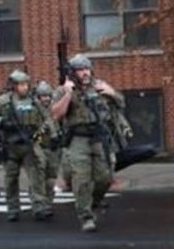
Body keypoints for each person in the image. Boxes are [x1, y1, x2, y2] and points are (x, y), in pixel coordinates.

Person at [51, 54, 122, 232]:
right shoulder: (64, 90)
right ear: (73, 73)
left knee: (105, 178)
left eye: (87, 69)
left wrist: (111, 93)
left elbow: (121, 103)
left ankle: (93, 203)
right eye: (81, 70)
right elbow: (56, 114)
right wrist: (68, 93)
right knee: (81, 179)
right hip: (78, 139)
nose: (85, 73)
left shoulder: (98, 86)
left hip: (99, 137)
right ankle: (86, 217)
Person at [0, 70, 52, 221]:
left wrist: (46, 132)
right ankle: (13, 208)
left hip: (30, 144)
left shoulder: (34, 101)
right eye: (21, 84)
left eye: (26, 84)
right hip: (10, 145)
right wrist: (1, 122)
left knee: (36, 176)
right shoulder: (2, 102)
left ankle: (39, 206)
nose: (25, 87)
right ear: (13, 85)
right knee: (11, 178)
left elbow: (47, 118)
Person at [34, 81, 63, 204]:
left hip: (54, 147)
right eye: (43, 96)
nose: (46, 99)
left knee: (52, 176)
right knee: (39, 175)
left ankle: (48, 202)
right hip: (39, 146)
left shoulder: (55, 109)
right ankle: (39, 202)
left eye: (47, 96)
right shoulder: (34, 110)